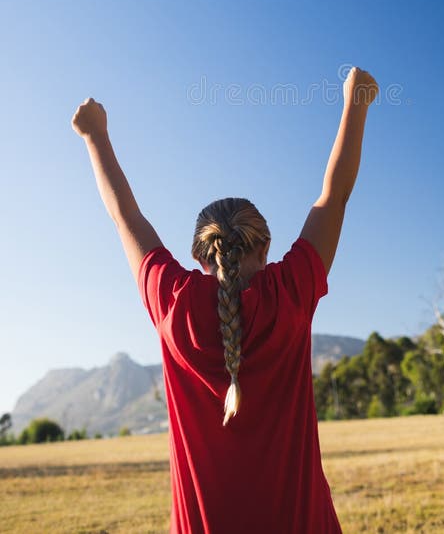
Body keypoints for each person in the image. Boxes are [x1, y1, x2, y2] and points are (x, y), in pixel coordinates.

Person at [71, 66, 379, 534]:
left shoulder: (173, 301)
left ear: (200, 254)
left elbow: (125, 217)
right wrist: (356, 102)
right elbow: (334, 197)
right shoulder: (290, 291)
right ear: (265, 247)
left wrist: (95, 135)